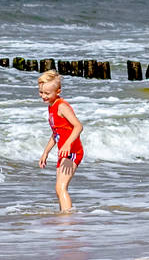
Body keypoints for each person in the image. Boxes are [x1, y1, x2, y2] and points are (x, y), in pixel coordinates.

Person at [36, 70, 84, 213]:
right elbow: (55, 134)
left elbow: (78, 126)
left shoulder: (61, 106)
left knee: (61, 187)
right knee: (59, 187)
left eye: (47, 93)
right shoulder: (51, 106)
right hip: (63, 152)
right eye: (41, 92)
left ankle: (68, 218)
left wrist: (68, 143)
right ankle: (64, 214)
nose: (43, 96)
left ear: (58, 91)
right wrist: (45, 153)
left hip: (73, 151)